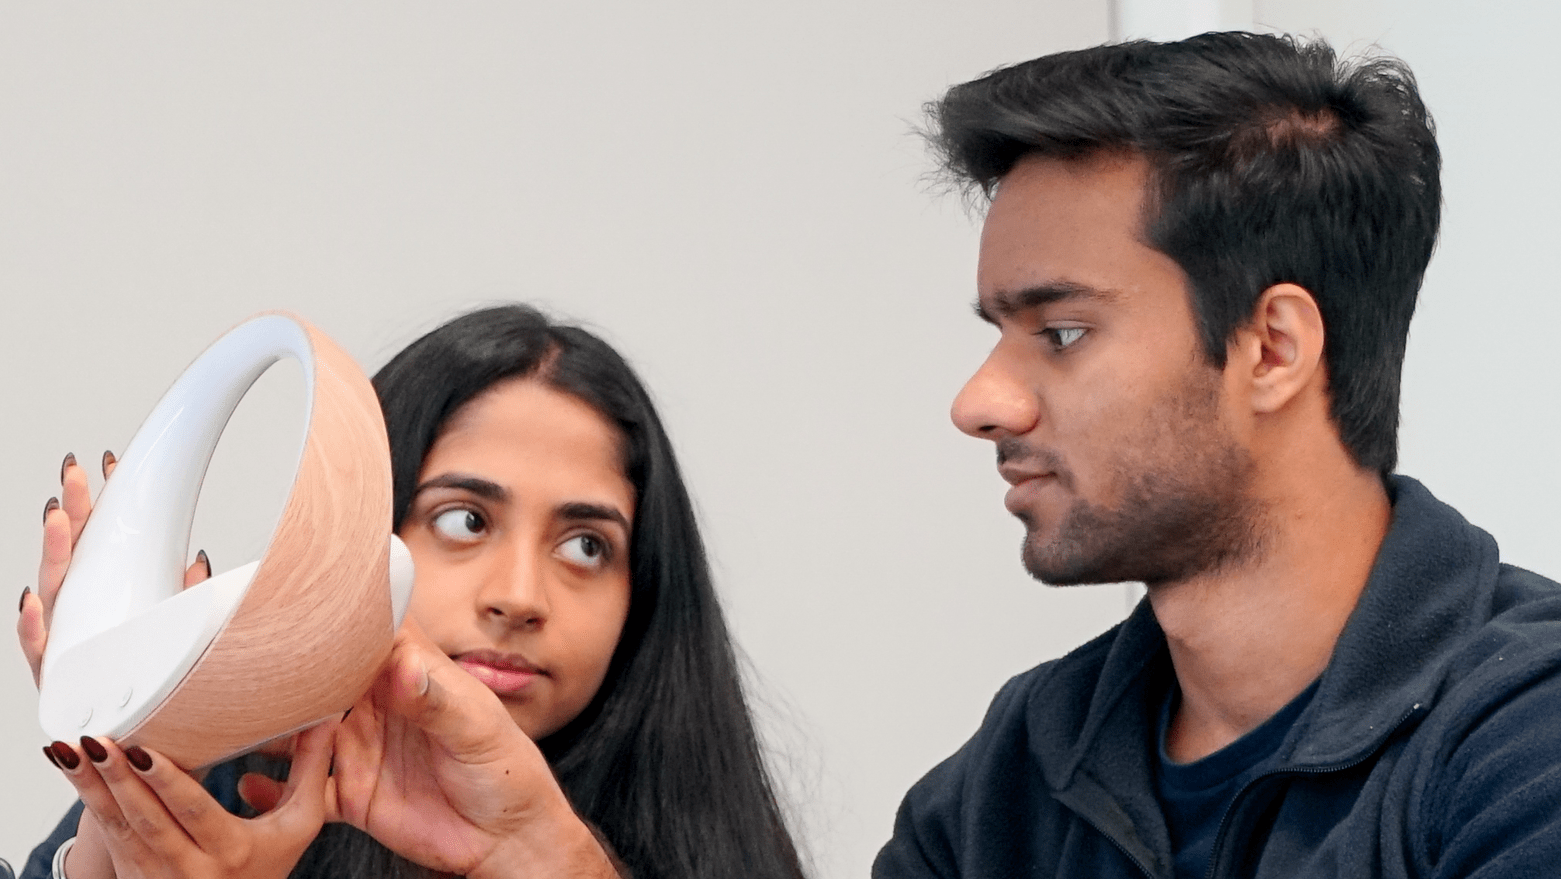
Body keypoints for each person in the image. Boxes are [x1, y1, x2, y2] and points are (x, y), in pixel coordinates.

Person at [875, 31, 1561, 879]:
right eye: (999, 335)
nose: (980, 403)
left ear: (1271, 349)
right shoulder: (1011, 777)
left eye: (1060, 333)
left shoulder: (1529, 743)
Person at [18, 304, 808, 879]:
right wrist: (107, 836)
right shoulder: (211, 798)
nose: (519, 595)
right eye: (465, 519)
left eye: (584, 544)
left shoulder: (716, 847)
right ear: (363, 535)